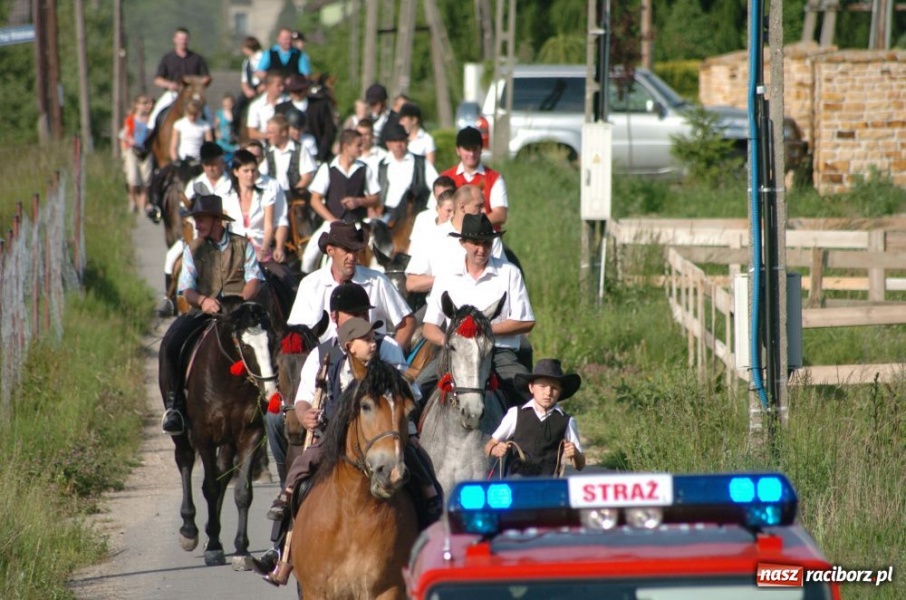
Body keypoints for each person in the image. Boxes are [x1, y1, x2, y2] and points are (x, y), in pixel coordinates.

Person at [256, 311, 439, 587]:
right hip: (334, 437)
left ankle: (432, 515)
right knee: (305, 464)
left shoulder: (385, 364)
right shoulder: (331, 364)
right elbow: (305, 400)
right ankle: (282, 540)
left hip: (383, 435)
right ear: (349, 345)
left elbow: (403, 396)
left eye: (373, 337)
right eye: (366, 339)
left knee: (418, 462)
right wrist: (308, 414)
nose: (373, 342)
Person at [159, 194, 264, 435]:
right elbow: (186, 289)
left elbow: (255, 278)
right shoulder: (191, 248)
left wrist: (242, 301)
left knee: (270, 341)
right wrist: (203, 301)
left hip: (241, 314)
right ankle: (174, 405)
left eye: (202, 219)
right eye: (196, 219)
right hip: (205, 314)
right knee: (171, 344)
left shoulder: (242, 245)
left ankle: (275, 398)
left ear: (218, 220)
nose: (197, 224)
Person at [416, 213, 533, 405]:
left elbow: (526, 321)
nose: (481, 249)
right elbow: (429, 328)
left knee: (526, 394)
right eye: (475, 243)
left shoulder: (510, 273)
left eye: (487, 243)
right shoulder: (446, 275)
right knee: (418, 388)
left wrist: (483, 331)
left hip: (498, 352)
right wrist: (451, 340)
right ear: (463, 243)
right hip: (455, 352)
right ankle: (412, 434)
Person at [289, 221, 416, 348]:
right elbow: (296, 335)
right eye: (346, 250)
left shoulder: (377, 281)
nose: (352, 256)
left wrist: (390, 357)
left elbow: (408, 322)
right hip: (325, 362)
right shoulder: (310, 285)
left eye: (355, 250)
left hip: (370, 361)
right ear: (330, 250)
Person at [156, 142, 233, 317]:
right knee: (170, 258)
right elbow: (185, 211)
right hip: (197, 233)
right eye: (208, 165)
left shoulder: (230, 184)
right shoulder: (195, 184)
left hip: (224, 234)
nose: (212, 168)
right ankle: (170, 300)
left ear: (221, 162)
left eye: (215, 164)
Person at [485, 359, 586, 476]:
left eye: (554, 388)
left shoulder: (567, 421)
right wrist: (495, 449)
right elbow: (489, 445)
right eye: (542, 386)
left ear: (560, 392)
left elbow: (580, 465)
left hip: (548, 485)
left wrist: (575, 454)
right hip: (517, 483)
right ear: (531, 387)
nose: (548, 393)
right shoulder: (515, 414)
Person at [299, 129, 380, 273]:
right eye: (358, 145)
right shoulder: (328, 168)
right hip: (332, 223)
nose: (361, 148)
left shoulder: (364, 168)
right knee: (308, 259)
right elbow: (315, 200)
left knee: (377, 260)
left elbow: (376, 198)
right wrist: (333, 221)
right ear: (345, 146)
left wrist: (359, 202)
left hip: (358, 223)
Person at [405, 185, 506, 294]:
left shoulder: (491, 238)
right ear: (462, 207)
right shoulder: (432, 236)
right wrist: (448, 280)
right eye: (479, 206)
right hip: (441, 307)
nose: (484, 211)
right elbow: (412, 283)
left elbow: (504, 276)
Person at [441, 126, 508, 228]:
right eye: (467, 149)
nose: (471, 154)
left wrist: (472, 227)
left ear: (481, 150)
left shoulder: (494, 178)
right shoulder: (445, 177)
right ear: (458, 150)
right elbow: (436, 210)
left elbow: (500, 214)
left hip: (486, 239)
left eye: (475, 149)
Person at [374, 123, 439, 222]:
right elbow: (374, 191)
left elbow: (437, 186)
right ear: (388, 144)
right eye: (395, 141)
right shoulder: (382, 166)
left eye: (401, 140)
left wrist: (431, 208)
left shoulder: (421, 163)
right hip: (388, 213)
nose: (398, 144)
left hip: (415, 213)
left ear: (407, 141)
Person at [149, 27, 211, 129]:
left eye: (185, 39)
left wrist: (197, 83)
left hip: (192, 94)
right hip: (173, 93)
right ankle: (148, 138)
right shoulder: (168, 58)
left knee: (208, 116)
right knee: (156, 113)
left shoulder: (197, 58)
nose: (183, 41)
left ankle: (211, 139)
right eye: (180, 38)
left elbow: (206, 77)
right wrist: (169, 84)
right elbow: (158, 79)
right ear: (175, 39)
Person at [259, 114, 317, 199]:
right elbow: (261, 175)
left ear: (283, 132)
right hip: (272, 197)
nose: (268, 136)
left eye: (271, 133)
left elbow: (306, 177)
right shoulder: (267, 151)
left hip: (295, 199)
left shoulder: (300, 149)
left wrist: (293, 196)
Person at [121, 94, 153, 214]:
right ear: (137, 105)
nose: (145, 106)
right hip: (133, 150)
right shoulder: (130, 119)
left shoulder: (150, 120)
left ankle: (143, 204)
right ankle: (132, 199)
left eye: (146, 103)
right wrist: (130, 140)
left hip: (146, 151)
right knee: (133, 178)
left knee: (146, 179)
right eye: (143, 103)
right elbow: (125, 135)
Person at [407, 187, 454, 260]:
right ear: (437, 208)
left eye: (455, 211)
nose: (452, 215)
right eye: (448, 211)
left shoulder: (458, 233)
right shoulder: (424, 224)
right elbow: (412, 251)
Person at [236, 36, 264, 139]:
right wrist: (247, 90)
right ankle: (235, 131)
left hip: (261, 88)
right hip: (250, 89)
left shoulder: (263, 58)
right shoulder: (246, 62)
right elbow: (244, 80)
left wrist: (262, 87)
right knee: (237, 106)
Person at [246, 72, 288, 141]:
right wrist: (271, 136)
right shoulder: (256, 106)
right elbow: (252, 133)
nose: (282, 88)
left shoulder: (288, 102)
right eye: (278, 85)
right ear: (268, 86)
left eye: (283, 85)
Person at [365, 83, 400, 149]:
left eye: (374, 104)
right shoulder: (368, 120)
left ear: (384, 102)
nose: (372, 107)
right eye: (370, 104)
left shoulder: (396, 119)